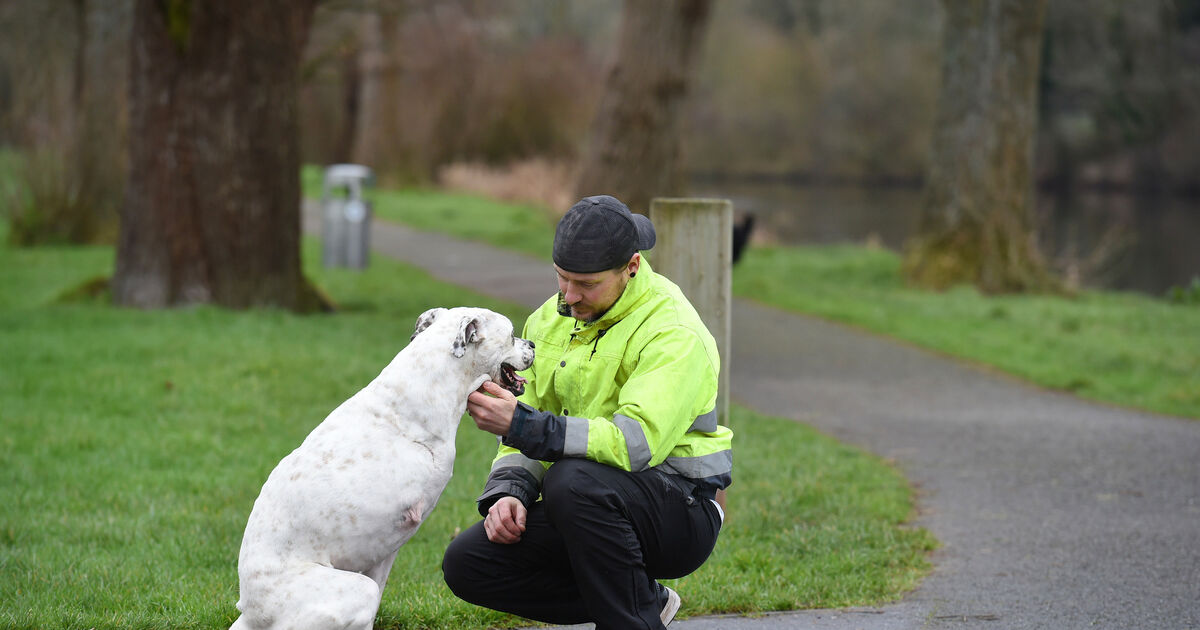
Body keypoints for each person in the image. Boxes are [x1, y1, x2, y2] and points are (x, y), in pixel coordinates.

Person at [442, 194, 734, 630]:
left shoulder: (674, 332)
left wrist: (522, 425)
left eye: (587, 284)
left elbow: (633, 445)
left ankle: (632, 620)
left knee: (571, 480)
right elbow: (533, 413)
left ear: (631, 266)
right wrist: (510, 491)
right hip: (592, 499)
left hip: (682, 510)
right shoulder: (550, 317)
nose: (569, 296)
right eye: (562, 279)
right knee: (469, 563)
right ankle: (643, 601)